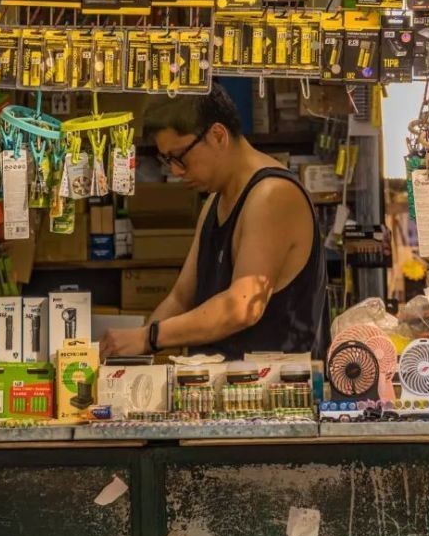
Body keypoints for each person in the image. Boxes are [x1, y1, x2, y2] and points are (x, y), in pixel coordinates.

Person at [99, 85, 328, 361]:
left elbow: (242, 307)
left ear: (218, 135)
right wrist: (134, 351)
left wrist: (150, 337)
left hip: (272, 393)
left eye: (179, 156)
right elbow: (181, 298)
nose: (175, 170)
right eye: (166, 159)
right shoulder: (214, 202)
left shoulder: (273, 195)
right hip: (217, 394)